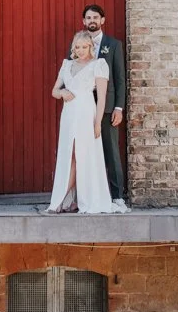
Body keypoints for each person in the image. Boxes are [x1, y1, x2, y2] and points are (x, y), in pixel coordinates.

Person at [45, 31, 124, 214]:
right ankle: (70, 199)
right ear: (74, 48)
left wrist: (97, 123)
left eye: (84, 46)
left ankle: (63, 198)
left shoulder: (99, 65)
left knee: (82, 155)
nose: (80, 50)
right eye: (77, 47)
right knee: (69, 155)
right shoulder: (67, 65)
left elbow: (102, 98)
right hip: (69, 115)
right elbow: (54, 90)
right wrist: (62, 93)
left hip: (87, 113)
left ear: (91, 47)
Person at [79, 4, 128, 207]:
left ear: (102, 20)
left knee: (111, 152)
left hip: (107, 108)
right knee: (85, 152)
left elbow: (120, 79)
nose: (92, 20)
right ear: (84, 21)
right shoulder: (78, 43)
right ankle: (88, 195)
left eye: (95, 17)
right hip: (83, 106)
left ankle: (117, 196)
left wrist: (119, 107)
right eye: (88, 17)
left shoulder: (113, 45)